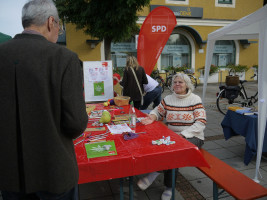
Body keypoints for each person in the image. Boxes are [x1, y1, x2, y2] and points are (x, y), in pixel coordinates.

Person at [0, 0, 88, 199]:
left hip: (9, 172)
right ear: (50, 22)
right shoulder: (64, 58)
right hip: (54, 171)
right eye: (59, 25)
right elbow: (76, 122)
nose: (59, 30)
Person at [139, 73, 206, 200]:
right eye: (175, 82)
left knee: (174, 151)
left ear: (187, 84)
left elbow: (201, 122)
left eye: (180, 82)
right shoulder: (168, 99)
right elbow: (157, 111)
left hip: (194, 137)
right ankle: (167, 185)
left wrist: (183, 135)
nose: (177, 84)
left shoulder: (195, 99)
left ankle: (158, 176)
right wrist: (152, 117)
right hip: (173, 138)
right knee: (165, 148)